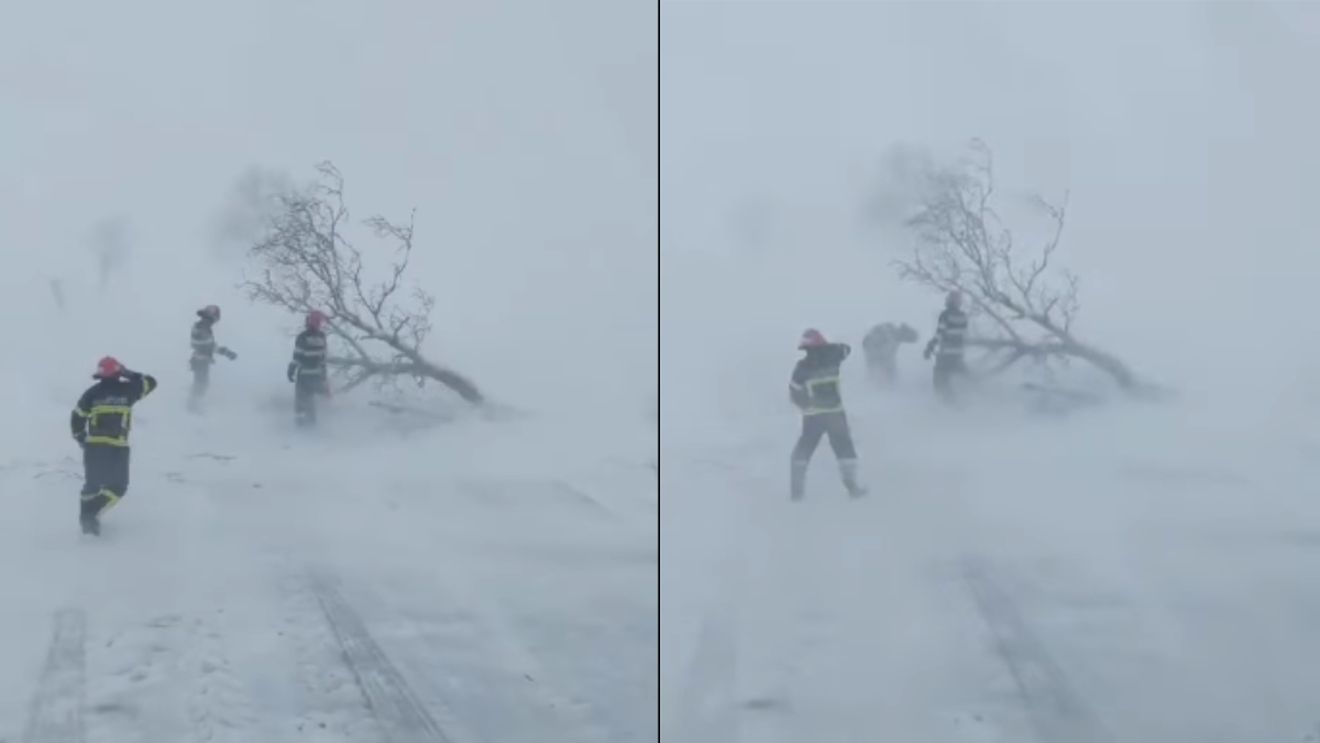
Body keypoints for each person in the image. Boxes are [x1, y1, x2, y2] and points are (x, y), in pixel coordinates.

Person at [69, 357, 157, 535]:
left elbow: (77, 417)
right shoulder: (129, 390)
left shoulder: (91, 393)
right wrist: (128, 373)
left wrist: (81, 439)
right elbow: (151, 382)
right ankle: (91, 514)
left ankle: (86, 522)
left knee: (92, 486)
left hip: (94, 447)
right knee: (118, 487)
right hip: (117, 447)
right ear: (118, 372)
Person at [789, 328, 866, 501]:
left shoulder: (802, 367)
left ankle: (796, 494)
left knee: (801, 454)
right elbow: (846, 348)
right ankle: (853, 488)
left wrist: (804, 405)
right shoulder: (834, 357)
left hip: (813, 417)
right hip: (835, 415)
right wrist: (827, 347)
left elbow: (794, 391)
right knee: (845, 451)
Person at [923, 290, 970, 403]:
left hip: (946, 353)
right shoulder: (963, 316)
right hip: (958, 354)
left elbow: (940, 333)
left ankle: (949, 406)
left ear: (950, 301)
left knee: (940, 381)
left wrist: (930, 347)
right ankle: (961, 402)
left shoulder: (945, 315)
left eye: (948, 298)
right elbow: (963, 334)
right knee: (958, 378)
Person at [188, 304, 237, 408]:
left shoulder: (202, 325)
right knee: (201, 384)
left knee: (201, 383)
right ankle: (192, 407)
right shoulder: (203, 325)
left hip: (199, 359)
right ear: (212, 316)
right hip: (200, 360)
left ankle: (193, 405)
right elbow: (205, 344)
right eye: (216, 317)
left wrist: (225, 352)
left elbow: (209, 345)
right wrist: (224, 352)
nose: (216, 321)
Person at [287, 310, 330, 426]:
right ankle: (311, 425)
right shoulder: (322, 337)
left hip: (304, 375)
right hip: (316, 375)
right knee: (311, 402)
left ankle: (301, 427)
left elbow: (297, 356)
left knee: (301, 402)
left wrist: (291, 370)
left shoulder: (302, 337)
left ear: (308, 322)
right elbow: (323, 359)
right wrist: (323, 375)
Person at [861, 321, 919, 386]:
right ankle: (872, 385)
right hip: (874, 353)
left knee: (890, 374)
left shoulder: (895, 336)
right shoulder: (888, 330)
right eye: (907, 338)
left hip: (880, 356)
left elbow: (890, 354)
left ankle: (885, 385)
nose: (906, 341)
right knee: (876, 375)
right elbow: (869, 342)